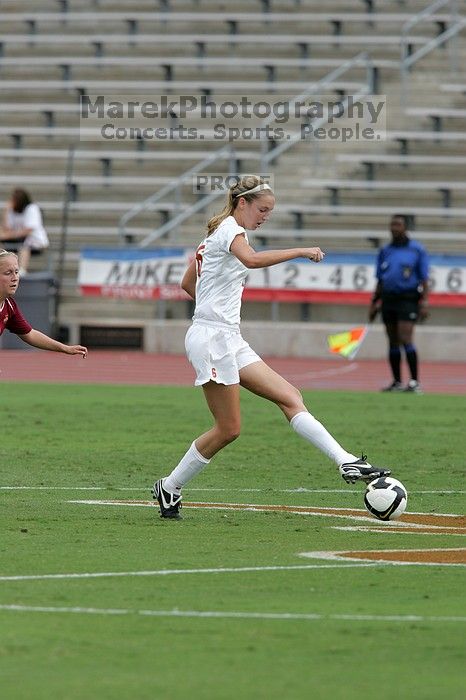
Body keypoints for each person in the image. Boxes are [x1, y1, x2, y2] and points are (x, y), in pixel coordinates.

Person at [151, 175, 390, 519]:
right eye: (262, 209)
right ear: (242, 203)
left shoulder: (217, 235)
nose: (265, 216)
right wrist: (301, 250)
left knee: (290, 396)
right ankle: (170, 486)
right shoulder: (231, 230)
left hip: (226, 335)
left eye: (270, 211)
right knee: (229, 428)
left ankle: (346, 462)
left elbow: (188, 283)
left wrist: (211, 306)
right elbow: (251, 260)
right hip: (213, 339)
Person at [369, 214, 429, 393]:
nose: (394, 227)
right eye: (392, 224)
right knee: (392, 340)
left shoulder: (417, 250)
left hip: (408, 297)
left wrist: (424, 302)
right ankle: (396, 382)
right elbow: (380, 279)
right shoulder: (385, 251)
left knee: (405, 337)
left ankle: (414, 382)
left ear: (405, 227)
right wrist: (374, 302)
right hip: (388, 298)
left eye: (398, 224)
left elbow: (424, 279)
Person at [0, 249, 87, 357]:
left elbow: (29, 334)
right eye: (8, 273)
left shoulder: (9, 305)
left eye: (16, 272)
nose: (15, 278)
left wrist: (65, 348)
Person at [1, 188, 49, 275]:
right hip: (17, 239)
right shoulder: (12, 210)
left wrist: (7, 236)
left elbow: (28, 231)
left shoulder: (32, 208)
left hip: (33, 241)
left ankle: (21, 271)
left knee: (24, 247)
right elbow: (7, 228)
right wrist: (6, 211)